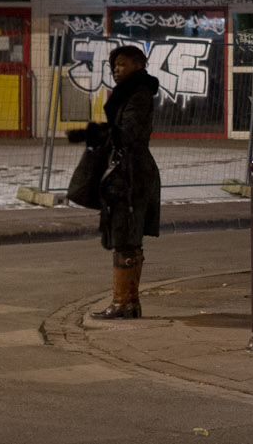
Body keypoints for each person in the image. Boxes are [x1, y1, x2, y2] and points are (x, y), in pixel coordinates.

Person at [89, 44, 162, 320]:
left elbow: (128, 132)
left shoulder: (137, 94)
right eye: (114, 65)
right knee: (129, 238)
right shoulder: (132, 92)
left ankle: (123, 303)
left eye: (122, 64)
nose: (116, 69)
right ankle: (128, 302)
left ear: (138, 65)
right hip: (132, 169)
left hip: (131, 172)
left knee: (125, 235)